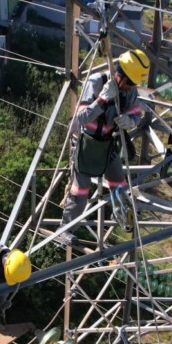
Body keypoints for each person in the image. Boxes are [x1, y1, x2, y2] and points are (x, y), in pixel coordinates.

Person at [59, 49, 149, 245]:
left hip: (108, 143)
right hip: (86, 143)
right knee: (80, 189)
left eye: (134, 84)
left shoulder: (130, 90)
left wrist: (130, 121)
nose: (131, 88)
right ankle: (65, 228)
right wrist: (101, 100)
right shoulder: (96, 82)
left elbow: (136, 114)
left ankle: (124, 215)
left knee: (119, 183)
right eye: (130, 83)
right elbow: (78, 121)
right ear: (119, 75)